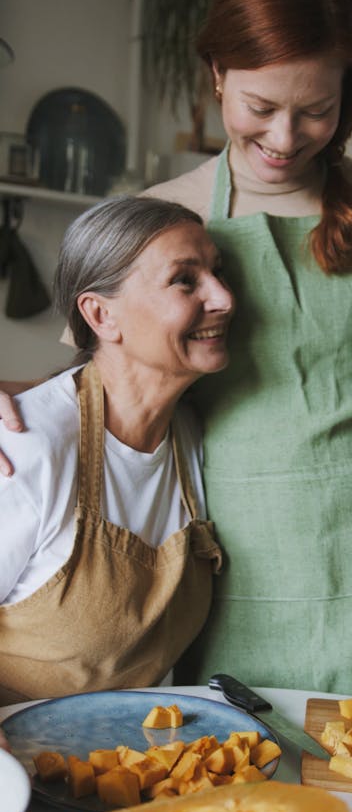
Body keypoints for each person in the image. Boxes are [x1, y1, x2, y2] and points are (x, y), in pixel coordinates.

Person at [0, 0, 352, 696]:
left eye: (316, 110)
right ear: (217, 74)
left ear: (348, 95)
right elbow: (94, 378)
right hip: (236, 571)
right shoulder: (166, 214)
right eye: (261, 108)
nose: (286, 138)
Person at [0, 195, 234, 706]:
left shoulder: (192, 437)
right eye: (185, 280)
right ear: (102, 316)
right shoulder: (25, 446)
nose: (224, 298)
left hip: (123, 765)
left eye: (218, 273)